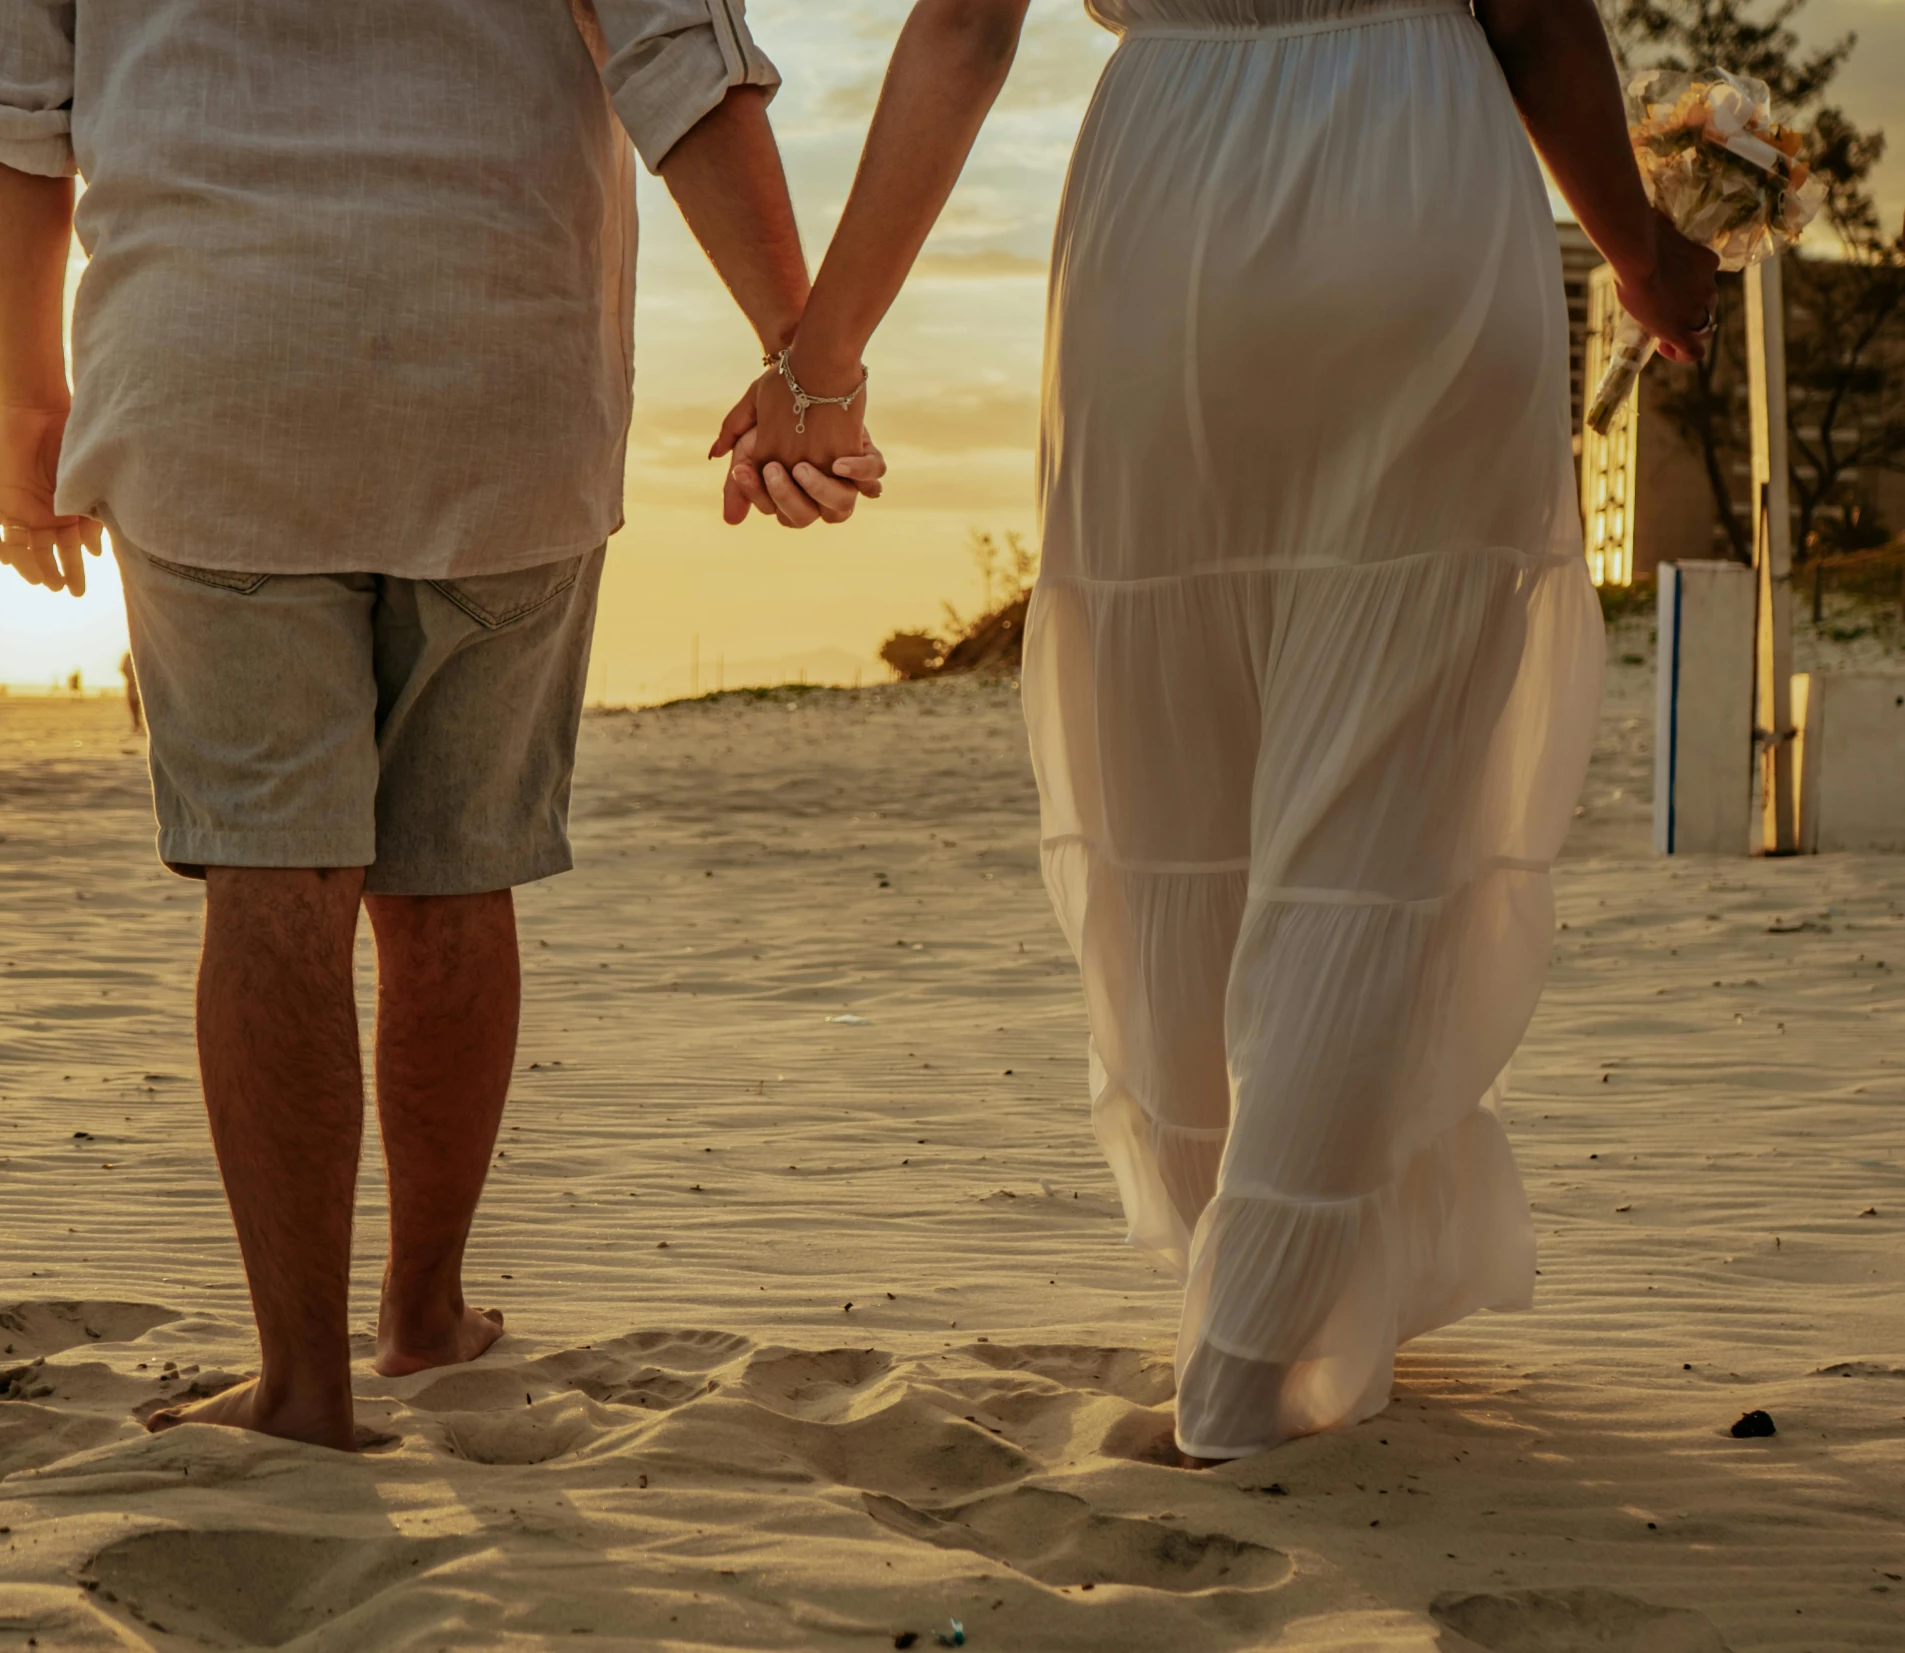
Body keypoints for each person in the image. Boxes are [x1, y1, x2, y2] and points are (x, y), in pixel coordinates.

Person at [726, 0, 1715, 1460]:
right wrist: (1641, 251)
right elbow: (1532, 17)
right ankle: (1256, 1346)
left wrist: (823, 355)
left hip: (1165, 200)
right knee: (1373, 830)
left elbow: (960, 31)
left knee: (1171, 802)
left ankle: (1253, 1291)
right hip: (1413, 173)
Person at [0, 0, 882, 1452]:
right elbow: (677, 50)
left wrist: (25, 396)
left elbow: (17, 97)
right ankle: (424, 1315)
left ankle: (303, 1384)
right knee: (450, 870)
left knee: (270, 873)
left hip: (207, 370)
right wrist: (805, 356)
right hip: (503, 368)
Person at [117, 650, 141, 735]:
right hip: (132, 686)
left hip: (140, 685)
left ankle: (138, 724)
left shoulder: (140, 653)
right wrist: (130, 677)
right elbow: (122, 669)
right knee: (133, 706)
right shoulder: (128, 656)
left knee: (139, 707)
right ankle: (136, 724)